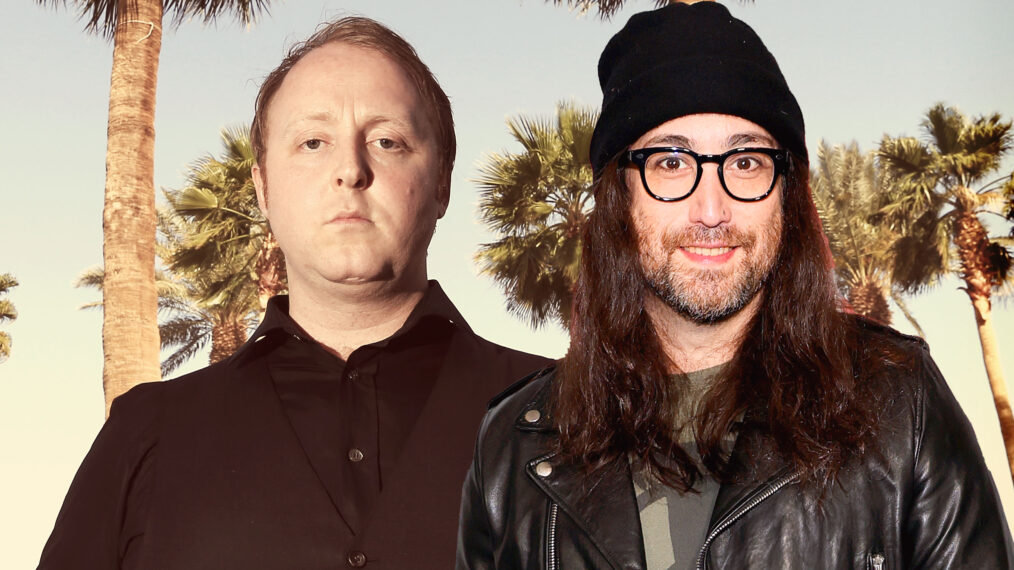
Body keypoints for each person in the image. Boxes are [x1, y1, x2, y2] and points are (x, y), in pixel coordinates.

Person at [457, 3, 1013, 569]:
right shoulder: (514, 444)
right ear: (618, 198)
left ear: (786, 193)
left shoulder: (900, 400)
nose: (712, 208)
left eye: (745, 162)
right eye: (671, 163)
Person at [39, 16, 548, 570]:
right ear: (263, 189)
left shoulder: (575, 416)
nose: (350, 170)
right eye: (312, 142)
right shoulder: (145, 433)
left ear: (442, 181)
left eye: (387, 141)